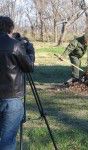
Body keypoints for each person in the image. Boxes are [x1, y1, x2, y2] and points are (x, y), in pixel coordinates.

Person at [0, 16, 35, 150]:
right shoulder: (15, 45)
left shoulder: (15, 44)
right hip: (11, 98)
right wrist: (30, 49)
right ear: (10, 28)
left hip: (10, 98)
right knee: (7, 139)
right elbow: (29, 67)